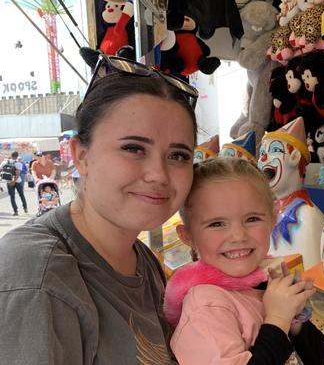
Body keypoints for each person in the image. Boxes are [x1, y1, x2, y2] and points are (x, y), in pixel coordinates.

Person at [0, 55, 199, 364]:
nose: (159, 173)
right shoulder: (36, 276)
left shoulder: (142, 259)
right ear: (81, 156)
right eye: (133, 148)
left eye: (178, 155)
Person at [164, 158, 324, 365]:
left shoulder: (266, 278)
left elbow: (319, 358)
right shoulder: (205, 306)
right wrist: (277, 320)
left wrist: (295, 319)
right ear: (188, 236)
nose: (238, 236)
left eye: (252, 219)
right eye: (217, 224)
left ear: (273, 220)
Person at [0, 151, 28, 215]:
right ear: (17, 156)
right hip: (18, 181)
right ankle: (25, 208)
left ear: (11, 155)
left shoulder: (4, 162)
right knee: (21, 195)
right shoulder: (18, 163)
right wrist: (14, 181)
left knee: (12, 197)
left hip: (9, 181)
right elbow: (18, 173)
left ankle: (15, 211)